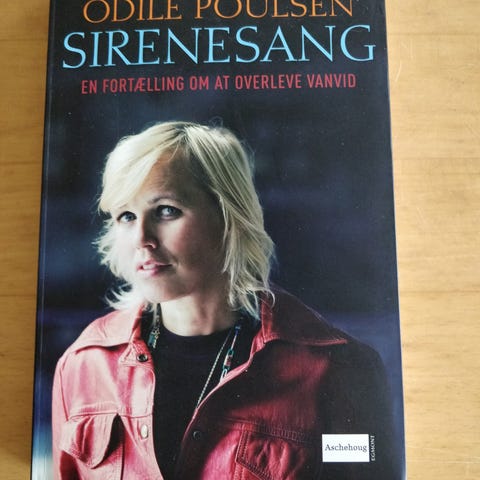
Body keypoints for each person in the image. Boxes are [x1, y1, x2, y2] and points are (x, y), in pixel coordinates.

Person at [52, 121, 399, 479]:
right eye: (126, 216)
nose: (142, 238)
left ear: (228, 215)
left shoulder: (338, 370)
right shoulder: (84, 365)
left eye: (166, 210)